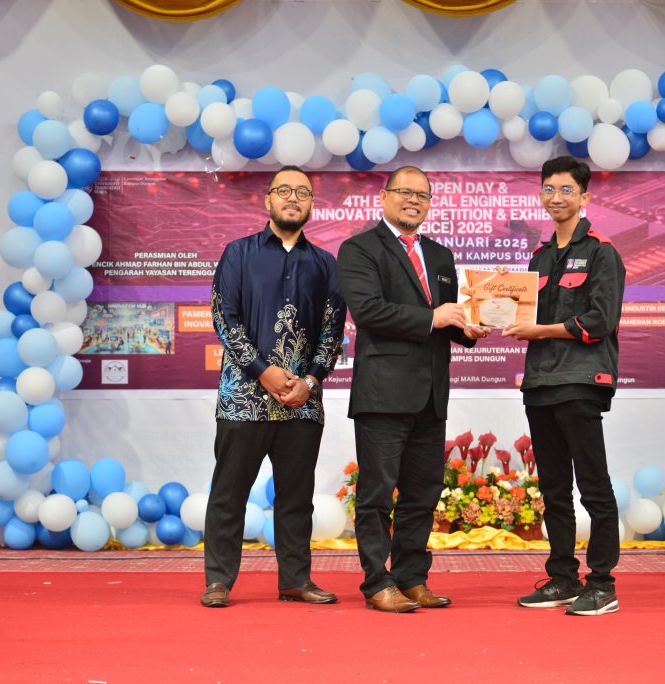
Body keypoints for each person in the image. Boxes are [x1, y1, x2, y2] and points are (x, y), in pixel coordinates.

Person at [337, 166, 488, 613]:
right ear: (384, 197)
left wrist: (470, 328)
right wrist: (434, 319)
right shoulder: (359, 249)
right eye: (404, 192)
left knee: (422, 493)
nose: (413, 200)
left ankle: (412, 577)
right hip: (382, 394)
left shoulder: (441, 256)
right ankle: (377, 582)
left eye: (422, 195)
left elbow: (447, 317)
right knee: (377, 496)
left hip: (430, 394)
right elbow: (369, 312)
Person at [201, 166, 346, 608]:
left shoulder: (324, 264)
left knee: (296, 499)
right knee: (229, 494)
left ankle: (295, 580)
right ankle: (219, 581)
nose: (293, 198)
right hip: (243, 400)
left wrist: (311, 380)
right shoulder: (239, 254)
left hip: (301, 404)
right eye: (284, 190)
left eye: (302, 192)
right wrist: (264, 371)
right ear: (268, 200)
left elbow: (332, 332)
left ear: (310, 205)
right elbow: (225, 320)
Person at [503, 156, 626, 617]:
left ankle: (602, 583)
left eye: (566, 191)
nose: (557, 198)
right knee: (554, 488)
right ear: (541, 195)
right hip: (539, 383)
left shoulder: (601, 252)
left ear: (584, 197)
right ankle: (562, 578)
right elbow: (523, 315)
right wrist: (491, 314)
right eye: (549, 190)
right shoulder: (539, 258)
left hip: (580, 381)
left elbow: (600, 320)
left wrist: (541, 331)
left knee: (593, 487)